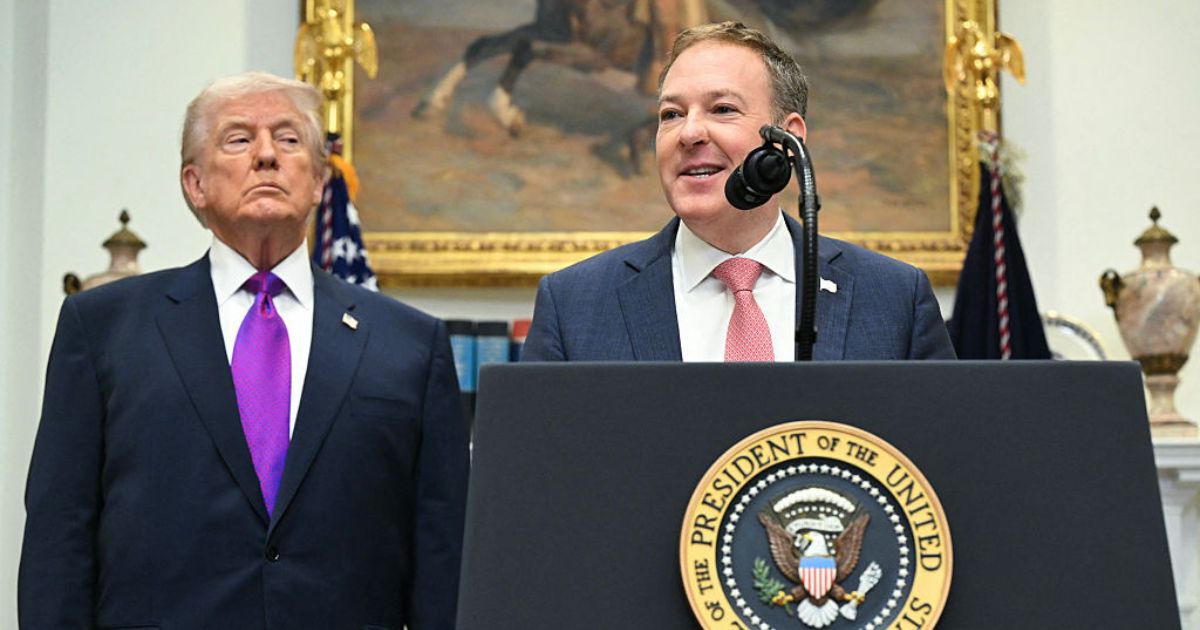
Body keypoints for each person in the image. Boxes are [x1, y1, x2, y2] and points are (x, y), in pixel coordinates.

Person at [18, 72, 468, 629]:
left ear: (320, 180)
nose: (265, 156)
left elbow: (443, 558)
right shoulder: (103, 328)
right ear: (194, 183)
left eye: (288, 139)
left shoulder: (411, 346)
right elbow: (59, 538)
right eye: (237, 139)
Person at [522, 21, 955, 362]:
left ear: (787, 140)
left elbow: (942, 465)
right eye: (671, 114)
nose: (689, 133)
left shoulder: (894, 298)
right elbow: (535, 471)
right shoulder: (573, 306)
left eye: (722, 109)